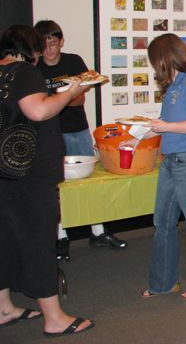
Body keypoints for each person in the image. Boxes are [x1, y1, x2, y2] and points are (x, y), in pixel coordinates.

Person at [0, 25, 94, 337]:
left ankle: (4, 308)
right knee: (39, 240)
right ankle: (54, 318)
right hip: (29, 175)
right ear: (31, 48)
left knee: (6, 239)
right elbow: (39, 111)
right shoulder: (24, 71)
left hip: (5, 173)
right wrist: (70, 92)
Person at [135, 34, 186, 300]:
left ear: (164, 58)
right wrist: (138, 135)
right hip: (171, 161)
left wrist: (165, 127)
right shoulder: (174, 85)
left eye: (154, 61)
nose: (153, 67)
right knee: (162, 222)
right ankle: (163, 282)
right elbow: (167, 123)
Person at [34, 20, 126, 261]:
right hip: (48, 133)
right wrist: (65, 96)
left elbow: (79, 100)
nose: (48, 49)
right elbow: (39, 105)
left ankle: (98, 231)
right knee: (56, 186)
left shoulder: (73, 61)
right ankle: (61, 236)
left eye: (52, 43)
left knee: (90, 181)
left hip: (76, 129)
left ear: (61, 41)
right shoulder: (33, 67)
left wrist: (54, 99)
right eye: (43, 44)